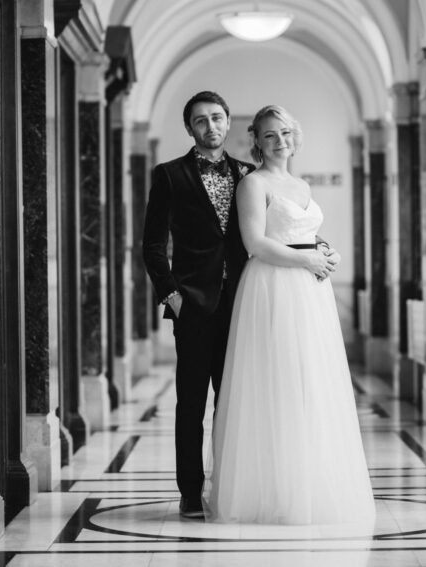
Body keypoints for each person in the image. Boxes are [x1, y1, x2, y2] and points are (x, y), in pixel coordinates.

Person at [141, 92, 342, 519]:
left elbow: (278, 228)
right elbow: (153, 247)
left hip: (247, 304)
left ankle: (233, 486)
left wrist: (320, 247)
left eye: (217, 118)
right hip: (194, 306)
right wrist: (173, 298)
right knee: (191, 403)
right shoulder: (169, 175)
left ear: (229, 122)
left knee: (239, 400)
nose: (210, 126)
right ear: (190, 128)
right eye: (200, 121)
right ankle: (191, 491)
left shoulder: (248, 174)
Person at [203, 105, 376, 525]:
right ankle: (269, 490)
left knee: (311, 383)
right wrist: (308, 262)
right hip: (272, 287)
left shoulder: (301, 184)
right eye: (269, 135)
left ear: (294, 137)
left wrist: (325, 251)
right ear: (256, 142)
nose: (279, 141)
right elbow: (255, 244)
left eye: (285, 133)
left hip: (310, 293)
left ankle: (309, 482)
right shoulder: (253, 184)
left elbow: (303, 234)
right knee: (275, 383)